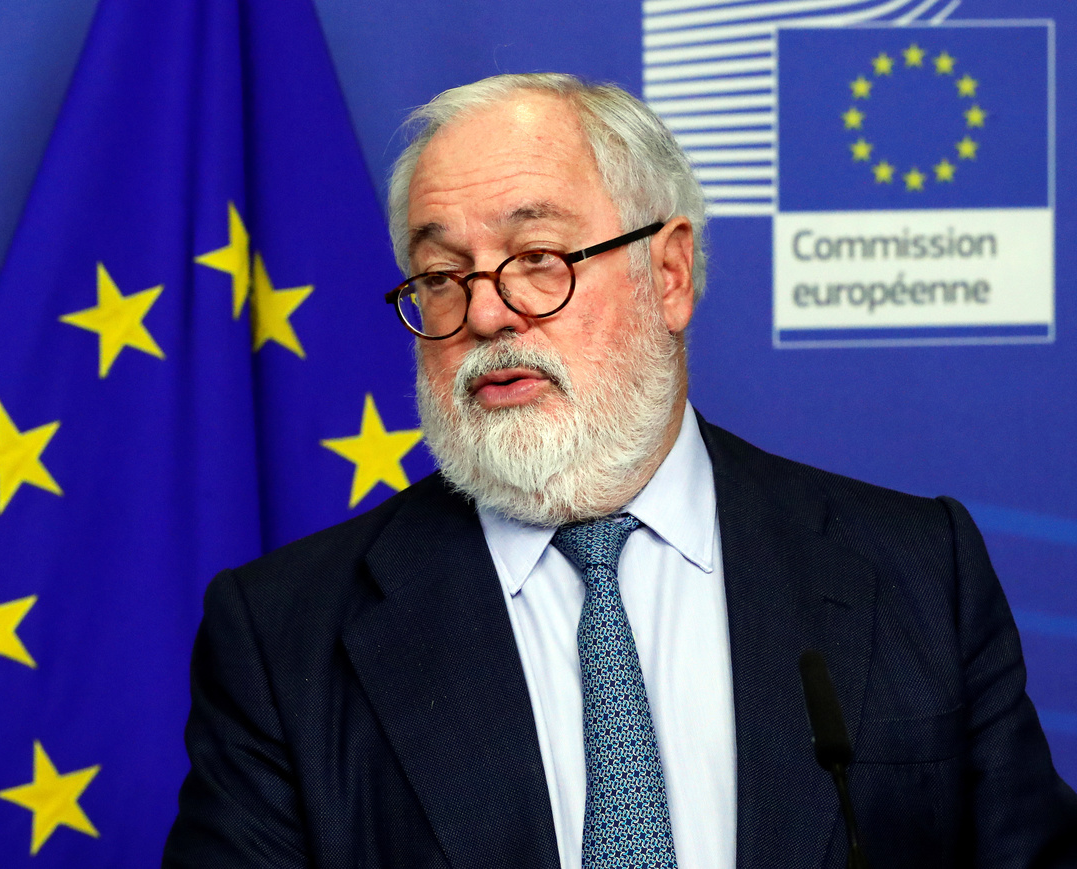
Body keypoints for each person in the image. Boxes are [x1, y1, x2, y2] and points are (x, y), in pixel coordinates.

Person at [163, 73, 1077, 868]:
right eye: (442, 275)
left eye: (537, 259)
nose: (486, 314)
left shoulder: (917, 571)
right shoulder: (284, 637)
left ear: (668, 274)